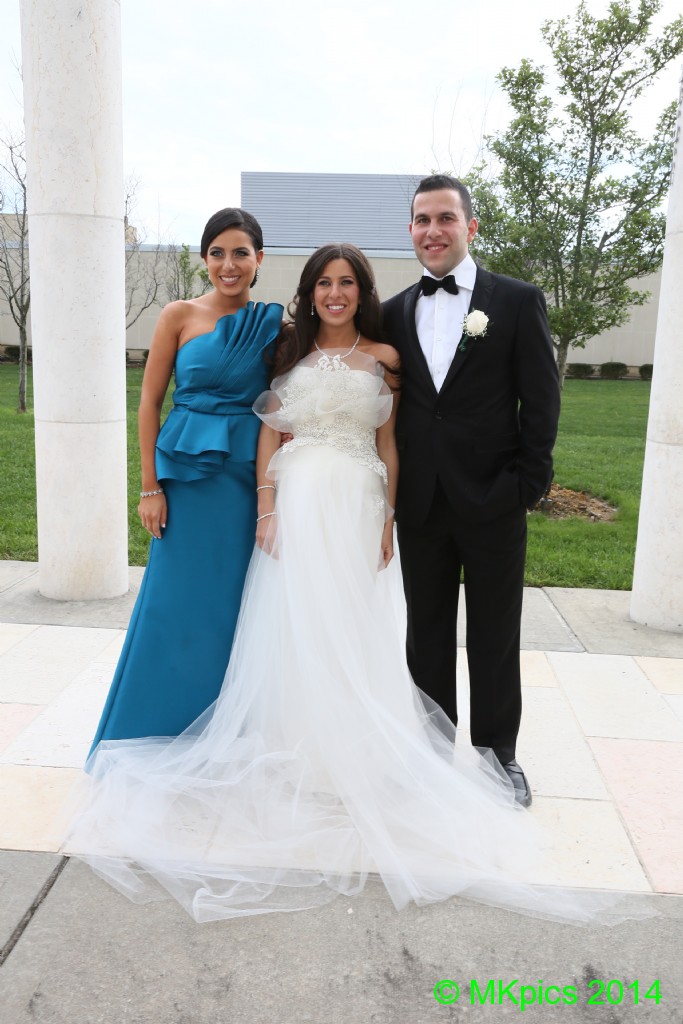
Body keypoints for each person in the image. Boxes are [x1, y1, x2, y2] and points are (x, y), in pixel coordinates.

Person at [67, 244, 598, 926]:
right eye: (324, 282)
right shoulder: (288, 354)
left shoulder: (386, 356)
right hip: (295, 506)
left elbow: (390, 444)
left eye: (346, 282)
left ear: (361, 291)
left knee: (351, 621)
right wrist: (265, 508)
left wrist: (388, 518)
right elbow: (269, 433)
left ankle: (365, 749)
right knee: (293, 623)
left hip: (355, 507)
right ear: (310, 291)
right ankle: (295, 746)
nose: (335, 293)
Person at [382, 175, 561, 807]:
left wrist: (527, 485)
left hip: (495, 498)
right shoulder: (394, 311)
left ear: (470, 226)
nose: (432, 230)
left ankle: (496, 754)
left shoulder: (515, 301)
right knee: (425, 633)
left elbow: (542, 400)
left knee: (494, 632)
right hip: (421, 501)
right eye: (422, 220)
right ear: (410, 230)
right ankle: (431, 754)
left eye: (445, 218)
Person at [88, 209, 283, 753]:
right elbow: (149, 402)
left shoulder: (275, 325)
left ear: (259, 259)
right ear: (204, 259)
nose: (229, 264)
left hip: (244, 483)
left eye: (240, 253)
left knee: (231, 608)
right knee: (172, 603)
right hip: (184, 482)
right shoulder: (178, 314)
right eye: (217, 253)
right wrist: (149, 487)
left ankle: (222, 735)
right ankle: (149, 729)